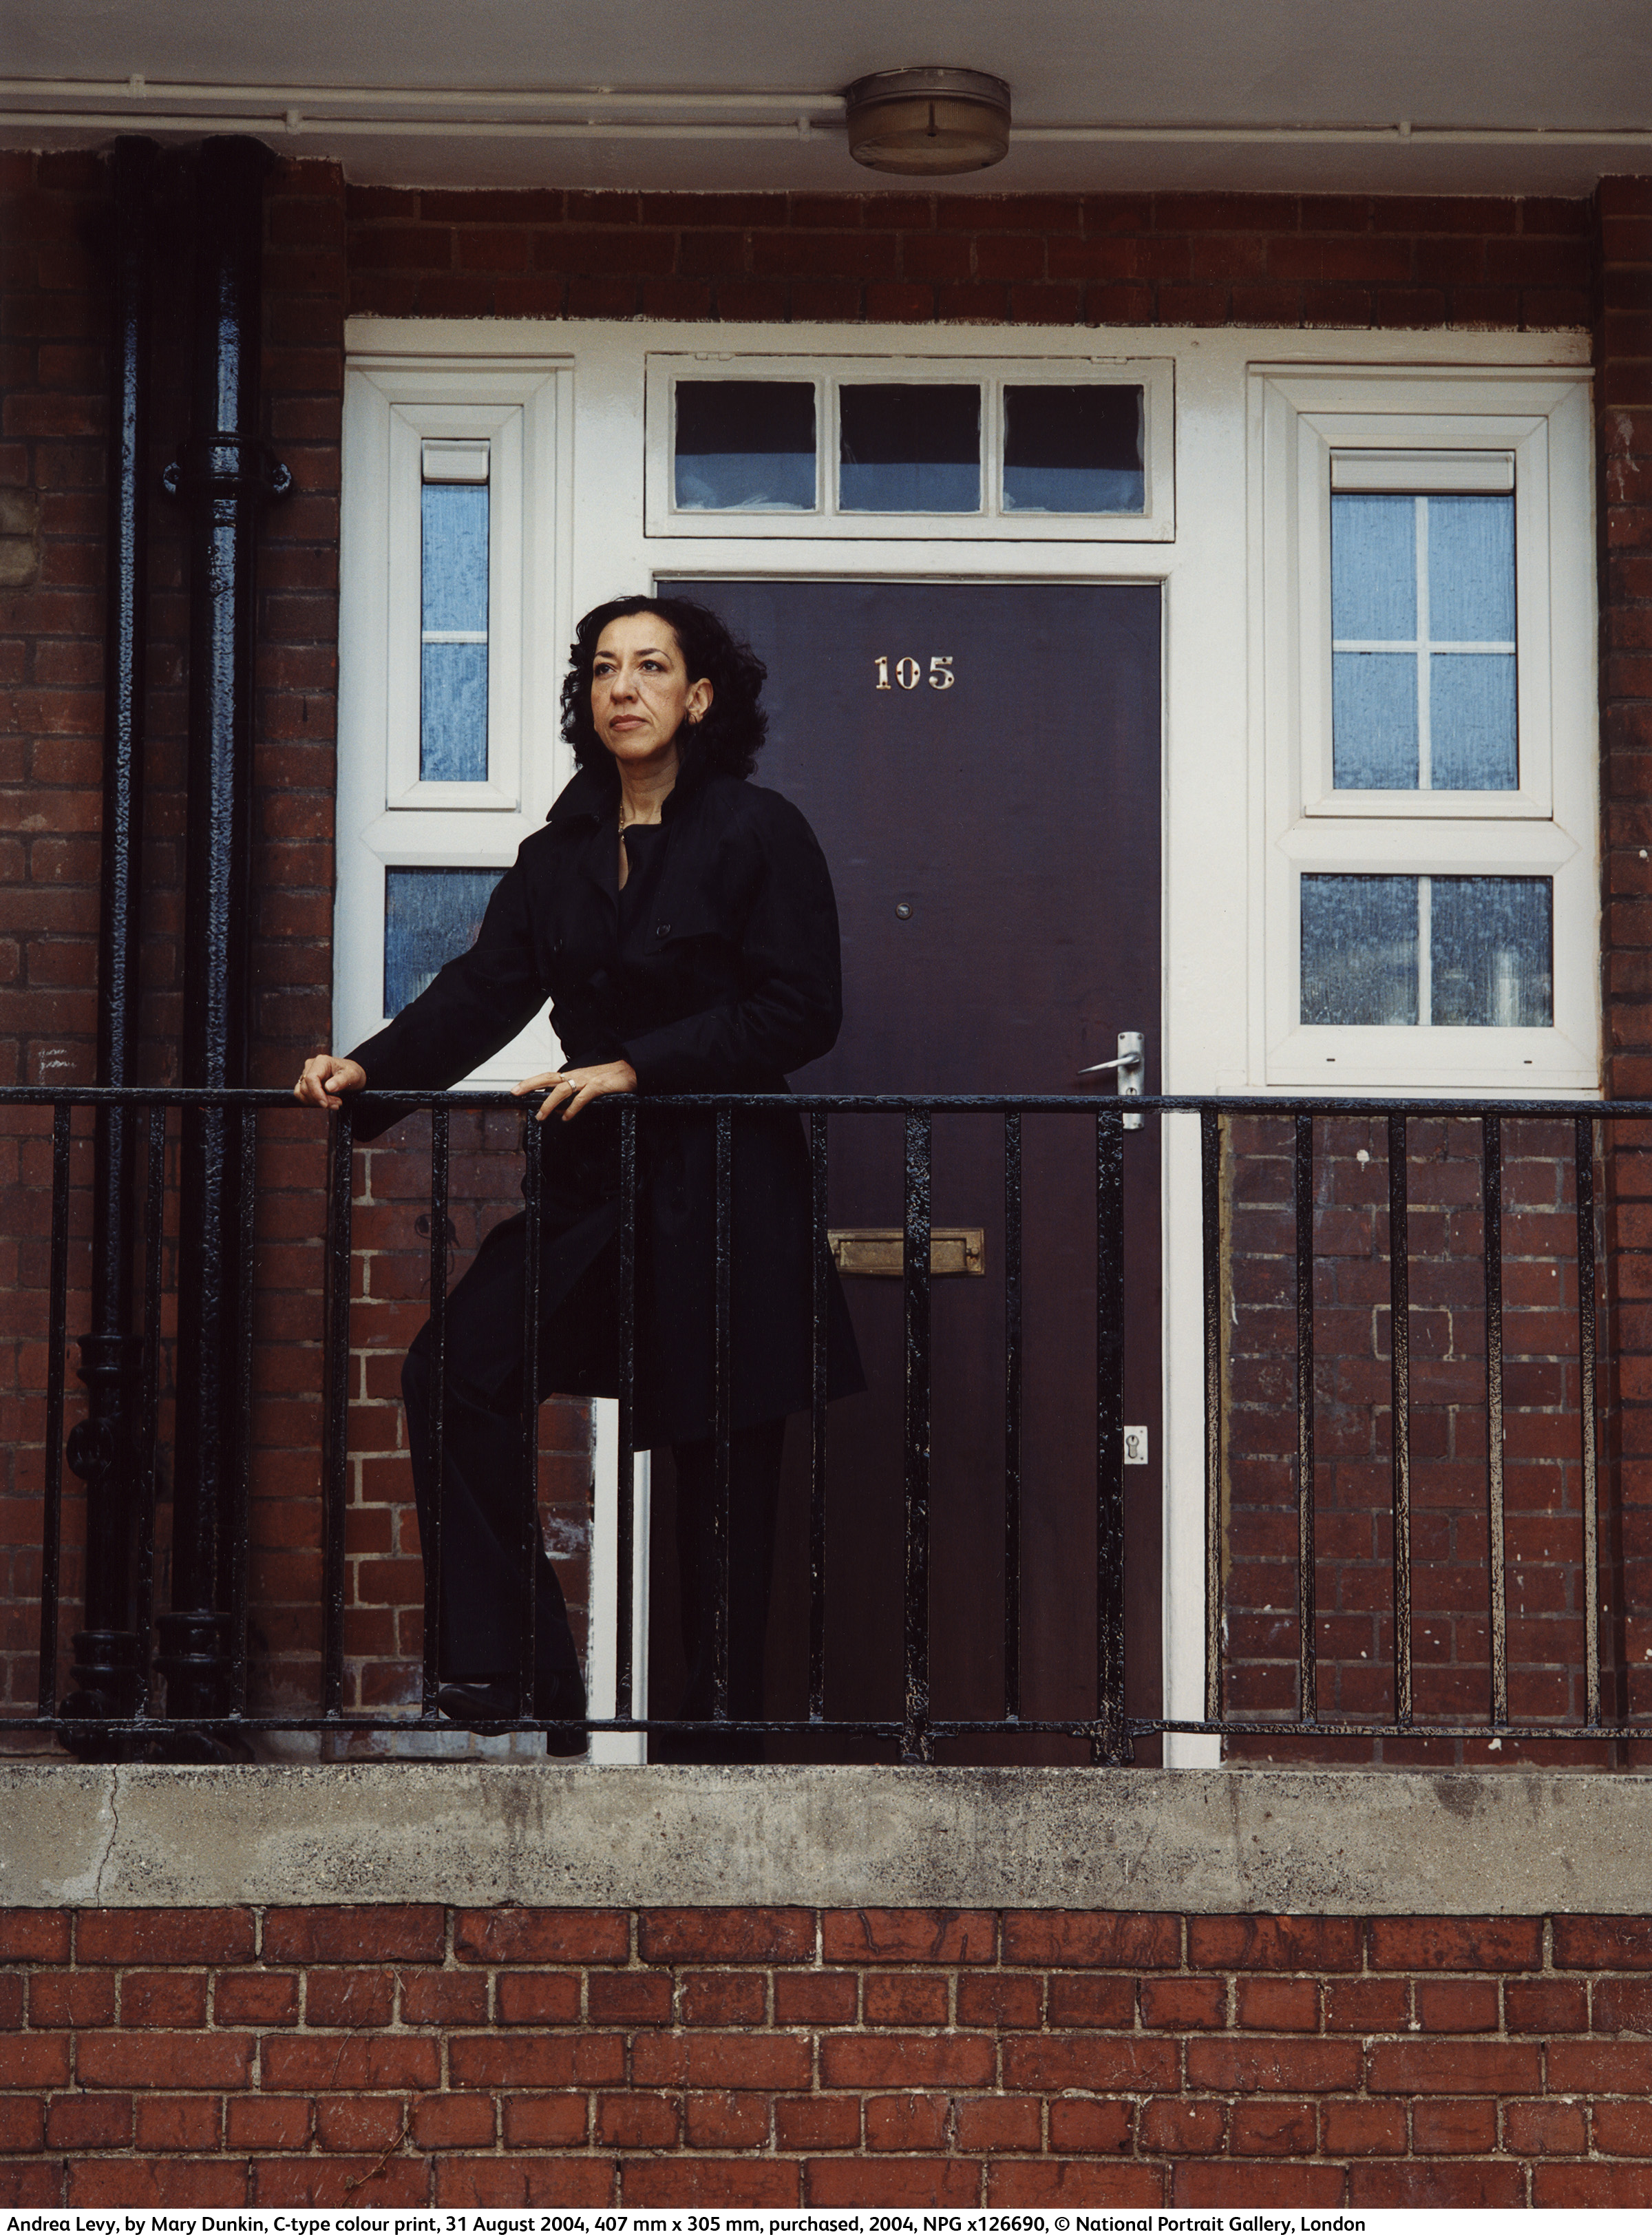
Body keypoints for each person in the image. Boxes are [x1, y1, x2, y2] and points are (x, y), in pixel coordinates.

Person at [296, 593, 862, 1756]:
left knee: (716, 1482)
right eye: (604, 668)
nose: (625, 688)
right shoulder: (557, 855)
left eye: (653, 667)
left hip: (724, 1195)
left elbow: (801, 1010)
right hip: (595, 1193)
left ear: (700, 698)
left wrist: (636, 1067)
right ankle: (516, 1674)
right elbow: (482, 989)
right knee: (457, 1370)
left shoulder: (760, 831)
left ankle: (711, 1754)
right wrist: (368, 1072)